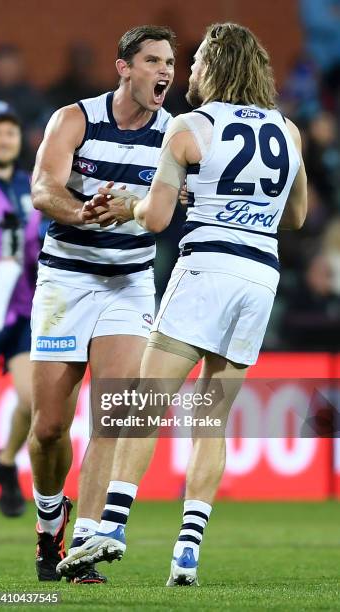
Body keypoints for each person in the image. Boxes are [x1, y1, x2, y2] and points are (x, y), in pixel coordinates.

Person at [57, 22, 308, 586]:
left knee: (144, 404)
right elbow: (295, 218)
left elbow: (157, 219)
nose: (187, 72)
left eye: (195, 64)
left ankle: (111, 527)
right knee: (210, 417)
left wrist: (125, 207)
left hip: (205, 270)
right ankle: (187, 551)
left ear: (215, 68)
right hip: (259, 276)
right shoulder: (288, 131)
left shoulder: (191, 126)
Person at [29, 25, 175, 583]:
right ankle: (50, 522)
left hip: (129, 283)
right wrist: (84, 211)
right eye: (153, 60)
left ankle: (83, 545)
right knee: (47, 429)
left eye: (170, 62)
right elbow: (44, 189)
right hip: (66, 284)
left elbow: (178, 199)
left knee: (113, 414)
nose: (165, 71)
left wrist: (136, 205)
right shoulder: (76, 118)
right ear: (123, 67)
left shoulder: (174, 133)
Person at [0, 100, 41, 517]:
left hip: (21, 308)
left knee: (32, 399)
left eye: (10, 131)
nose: (4, 138)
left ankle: (6, 463)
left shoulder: (29, 185)